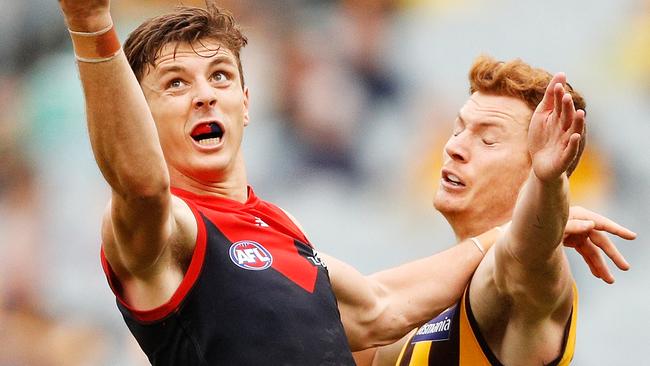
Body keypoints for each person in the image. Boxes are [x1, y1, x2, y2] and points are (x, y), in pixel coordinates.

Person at [56, 1, 632, 364]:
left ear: (247, 102)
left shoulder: (283, 232)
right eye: (175, 84)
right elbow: (141, 188)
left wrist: (547, 191)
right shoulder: (169, 228)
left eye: (220, 75)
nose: (204, 93)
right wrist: (92, 27)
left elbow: (384, 304)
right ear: (139, 117)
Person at [355, 56, 636, 366]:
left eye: (488, 139)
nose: (453, 147)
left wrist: (547, 182)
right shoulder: (421, 304)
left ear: (533, 172)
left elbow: (525, 253)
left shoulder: (521, 280)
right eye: (458, 130)